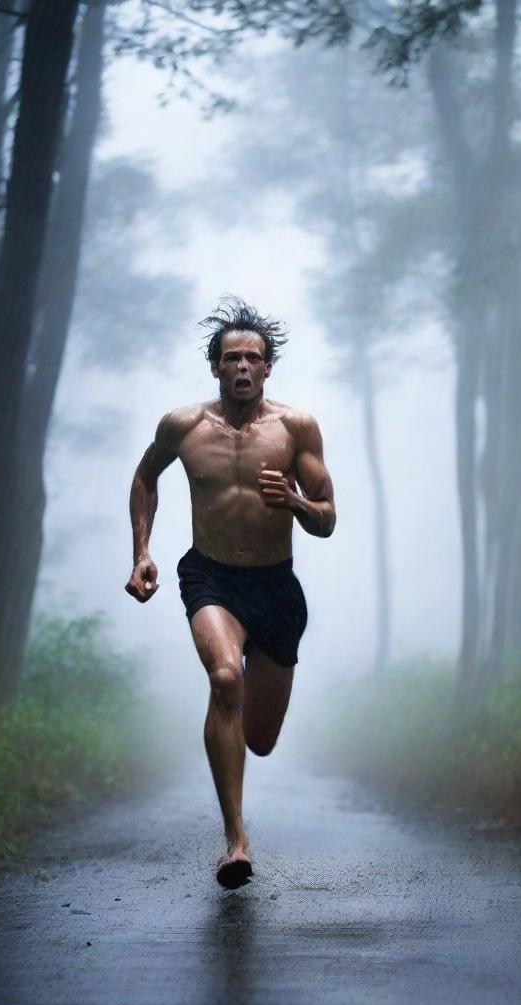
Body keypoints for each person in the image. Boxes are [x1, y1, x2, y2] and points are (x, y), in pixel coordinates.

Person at [125, 297, 337, 889]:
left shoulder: (297, 429)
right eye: (230, 358)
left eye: (253, 358)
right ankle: (236, 842)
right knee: (224, 679)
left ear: (268, 368)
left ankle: (236, 750)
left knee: (261, 740)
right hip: (210, 576)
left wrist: (295, 502)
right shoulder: (184, 427)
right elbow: (146, 477)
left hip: (275, 586)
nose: (242, 367)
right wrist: (142, 551)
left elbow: (327, 519)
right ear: (215, 367)